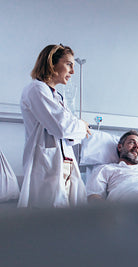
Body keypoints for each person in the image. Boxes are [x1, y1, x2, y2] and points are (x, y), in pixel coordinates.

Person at [18, 44, 91, 208]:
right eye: (69, 64)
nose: (72, 71)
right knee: (47, 222)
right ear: (52, 63)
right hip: (46, 165)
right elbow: (62, 127)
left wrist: (76, 127)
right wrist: (81, 125)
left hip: (65, 164)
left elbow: (69, 136)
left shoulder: (57, 96)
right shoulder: (36, 89)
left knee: (67, 222)